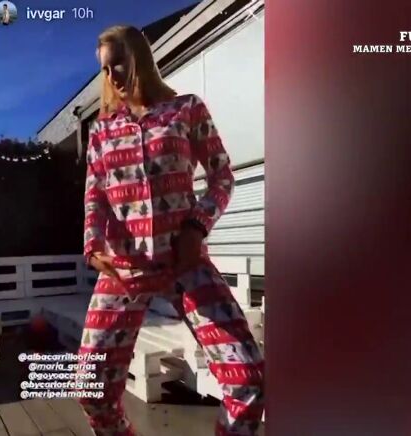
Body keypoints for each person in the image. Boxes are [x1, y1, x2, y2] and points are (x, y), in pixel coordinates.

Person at [77, 24, 264, 436]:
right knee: (92, 389)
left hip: (185, 262)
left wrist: (197, 227)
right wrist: (93, 248)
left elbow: (222, 175)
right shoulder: (102, 131)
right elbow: (96, 197)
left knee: (248, 378)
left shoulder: (186, 109)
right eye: (104, 70)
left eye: (118, 64)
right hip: (123, 268)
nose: (111, 77)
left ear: (140, 58)